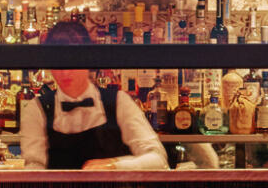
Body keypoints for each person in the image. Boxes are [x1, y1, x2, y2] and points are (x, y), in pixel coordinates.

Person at [20, 21, 169, 171]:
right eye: (58, 64)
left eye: (72, 62)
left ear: (87, 59)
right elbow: (33, 169)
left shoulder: (119, 102)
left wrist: (114, 165)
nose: (65, 72)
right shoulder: (37, 109)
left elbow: (158, 159)